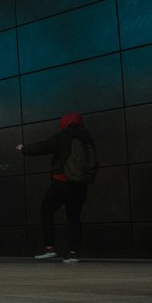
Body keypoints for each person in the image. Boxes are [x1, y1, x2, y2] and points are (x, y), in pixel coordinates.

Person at [17, 112, 95, 263]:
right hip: (80, 184)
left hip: (61, 182)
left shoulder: (63, 136)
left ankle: (50, 249)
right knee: (74, 218)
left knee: (46, 211)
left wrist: (23, 149)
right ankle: (73, 253)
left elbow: (43, 147)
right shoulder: (87, 138)